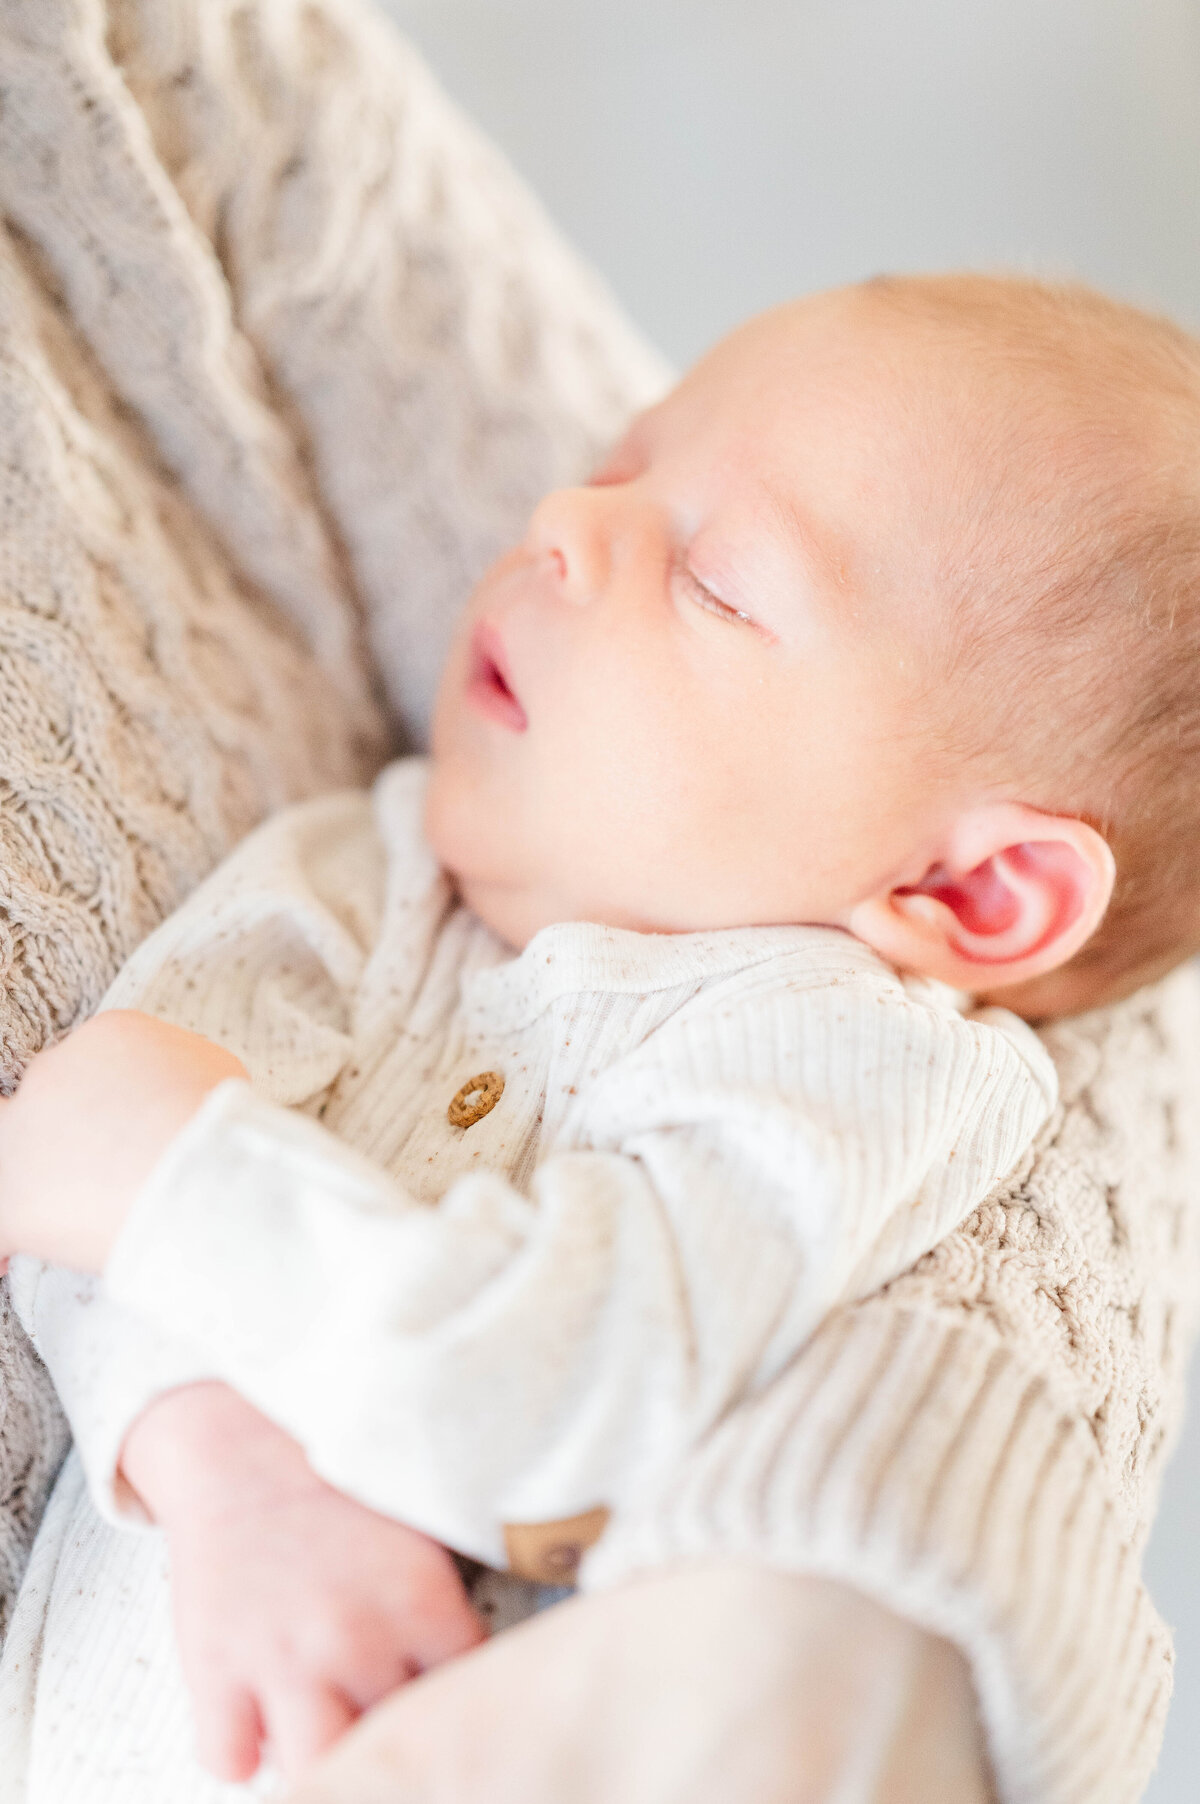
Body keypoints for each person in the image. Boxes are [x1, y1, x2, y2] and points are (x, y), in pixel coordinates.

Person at [1, 269, 1198, 1802]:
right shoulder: (352, 873)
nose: (568, 516)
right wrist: (230, 1466)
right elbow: (81, 1202)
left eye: (720, 581)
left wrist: (164, 1168)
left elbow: (553, 1399)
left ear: (969, 886)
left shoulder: (853, 1069)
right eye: (625, 461)